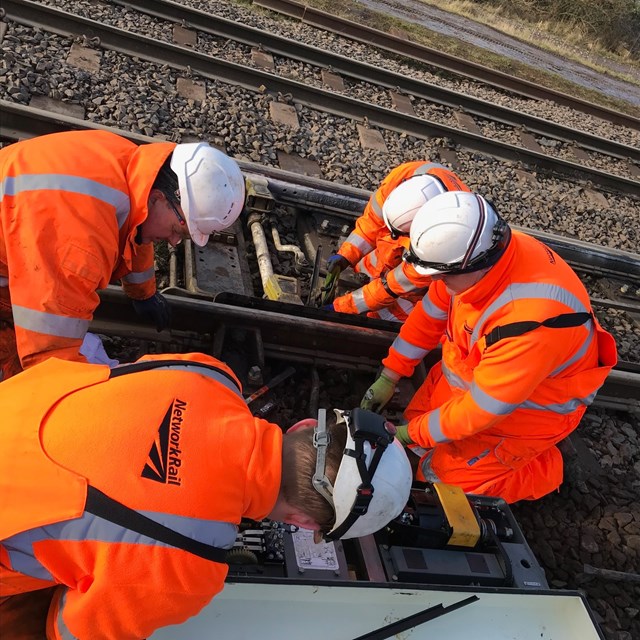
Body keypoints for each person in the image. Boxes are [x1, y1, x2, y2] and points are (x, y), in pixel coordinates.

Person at [0, 352, 412, 639]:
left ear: (304, 425)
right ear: (303, 523)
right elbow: (71, 632)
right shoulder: (189, 564)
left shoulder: (208, 373)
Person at [361, 191, 617, 503]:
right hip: (477, 377)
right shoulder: (481, 256)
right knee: (417, 435)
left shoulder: (532, 325)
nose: (437, 281)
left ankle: (547, 466)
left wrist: (410, 433)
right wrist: (391, 373)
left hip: (521, 416)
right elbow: (429, 316)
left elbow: (482, 410)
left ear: (469, 266)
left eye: (442, 275)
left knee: (443, 482)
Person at [0, 130, 246, 380]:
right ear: (159, 198)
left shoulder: (129, 168)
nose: (173, 242)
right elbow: (50, 358)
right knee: (17, 372)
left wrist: (144, 294)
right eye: (176, 230)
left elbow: (133, 229)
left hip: (13, 233)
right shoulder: (78, 242)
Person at [322, 161, 469, 322]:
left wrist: (343, 308)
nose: (392, 235)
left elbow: (392, 286)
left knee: (388, 316)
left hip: (424, 286)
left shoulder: (442, 244)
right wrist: (346, 255)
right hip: (404, 251)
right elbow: (372, 222)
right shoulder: (403, 176)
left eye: (398, 233)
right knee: (370, 265)